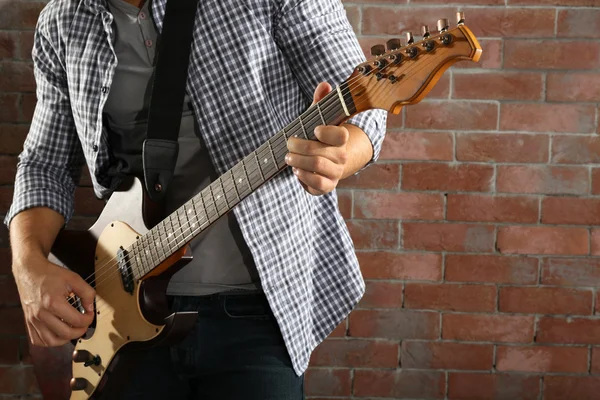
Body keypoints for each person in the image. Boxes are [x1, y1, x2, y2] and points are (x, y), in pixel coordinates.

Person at [5, 0, 387, 398]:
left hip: (256, 309)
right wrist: (28, 266)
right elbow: (44, 164)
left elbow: (361, 99)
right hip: (120, 315)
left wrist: (342, 156)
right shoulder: (63, 19)